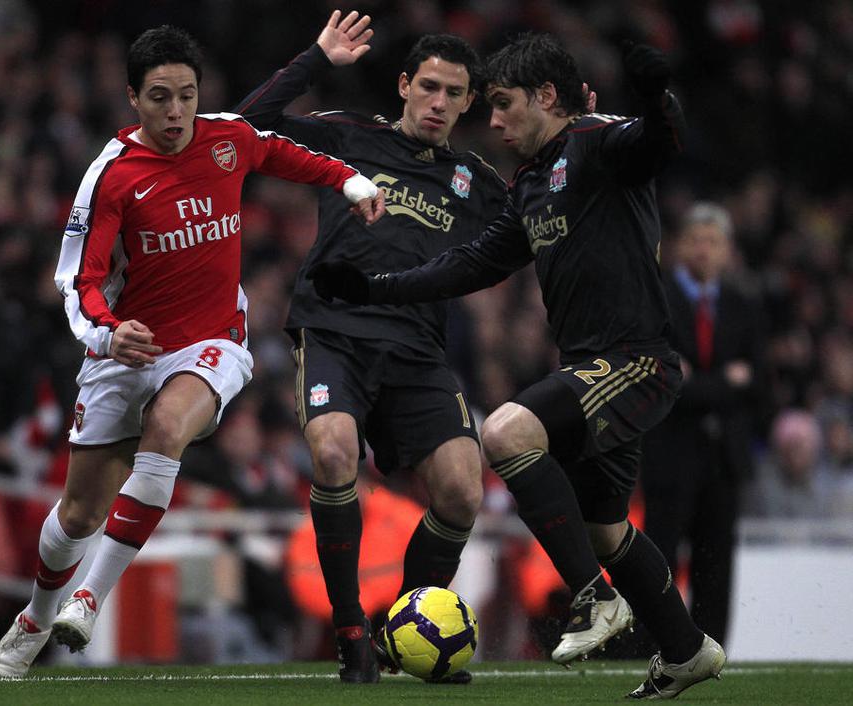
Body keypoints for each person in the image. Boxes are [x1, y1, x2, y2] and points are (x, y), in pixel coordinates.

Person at [310, 34, 727, 699]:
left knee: (504, 431)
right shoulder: (531, 182)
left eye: (502, 104)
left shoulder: (598, 141)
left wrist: (654, 94)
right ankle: (685, 650)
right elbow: (470, 265)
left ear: (546, 97)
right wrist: (374, 288)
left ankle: (592, 599)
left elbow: (658, 140)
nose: (493, 120)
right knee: (603, 528)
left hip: (635, 361)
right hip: (588, 369)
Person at [0, 24, 384, 678]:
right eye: (160, 97)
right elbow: (78, 280)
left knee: (168, 428)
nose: (176, 112)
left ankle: (89, 598)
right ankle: (35, 618)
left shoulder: (227, 139)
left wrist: (350, 183)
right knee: (78, 514)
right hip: (126, 348)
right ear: (133, 98)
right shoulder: (111, 176)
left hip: (211, 340)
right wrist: (109, 332)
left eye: (187, 96)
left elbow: (287, 154)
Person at [233, 11, 508, 683]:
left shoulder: (476, 181)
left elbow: (541, 224)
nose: (438, 102)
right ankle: (351, 630)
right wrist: (315, 58)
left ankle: (401, 631)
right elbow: (244, 127)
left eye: (454, 93)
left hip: (417, 352)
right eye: (429, 87)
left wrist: (568, 137)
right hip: (335, 334)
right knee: (333, 453)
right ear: (405, 86)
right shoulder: (347, 135)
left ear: (468, 103)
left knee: (462, 491)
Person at [640, 202, 765, 649]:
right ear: (680, 245)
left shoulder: (743, 304)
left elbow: (760, 382)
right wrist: (726, 382)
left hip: (723, 458)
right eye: (696, 240)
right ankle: (650, 647)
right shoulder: (657, 300)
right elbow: (662, 378)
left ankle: (709, 651)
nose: (704, 250)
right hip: (670, 453)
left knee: (716, 563)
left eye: (713, 242)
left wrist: (697, 383)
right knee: (660, 558)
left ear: (727, 249)